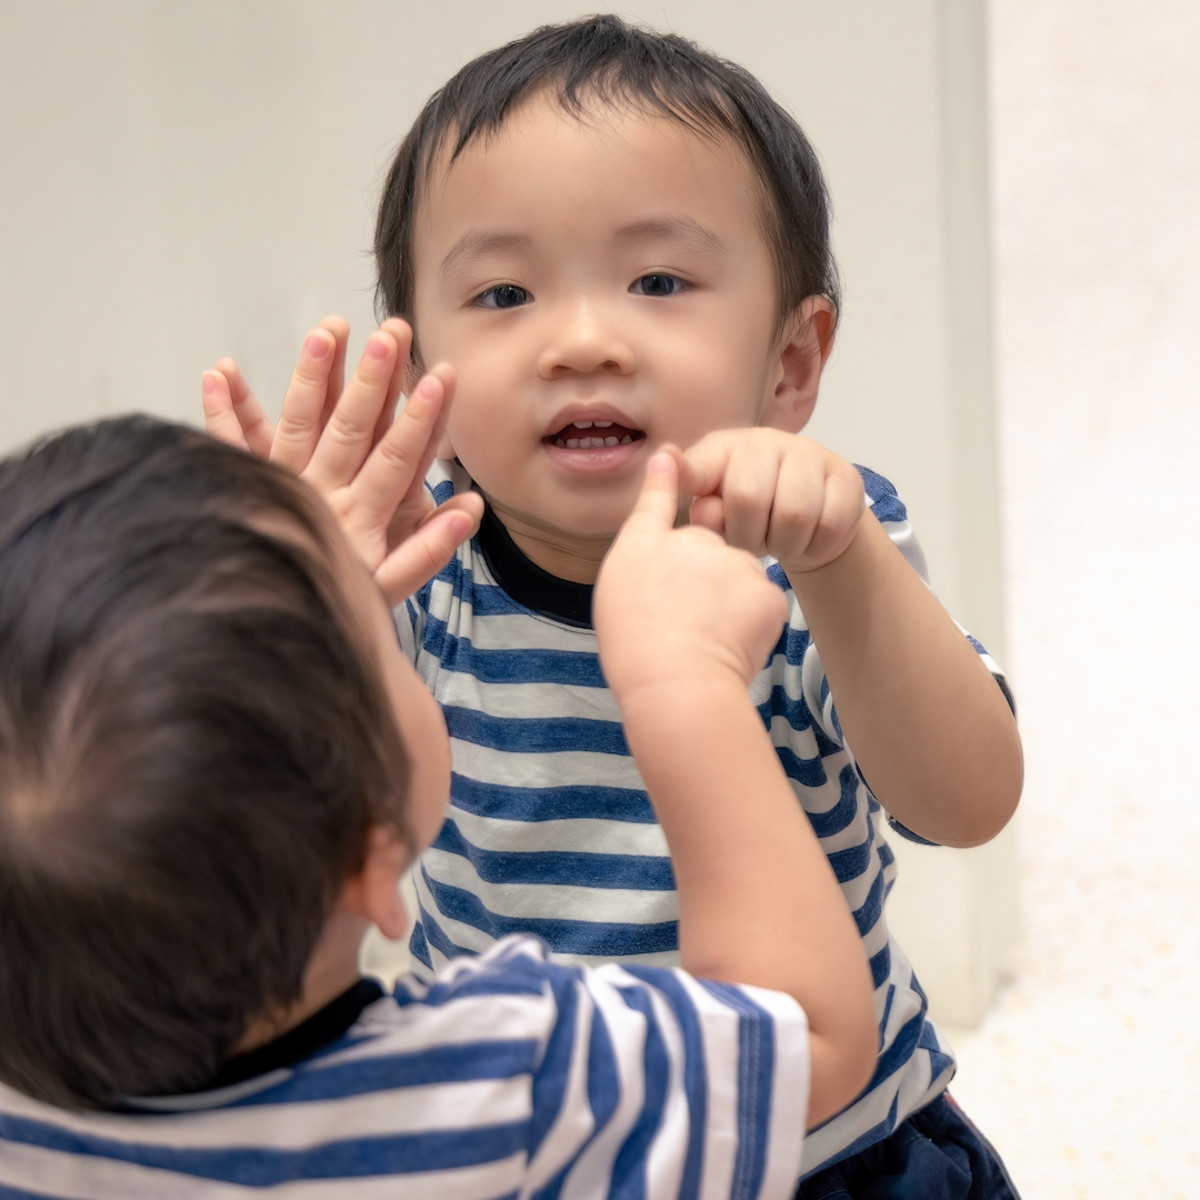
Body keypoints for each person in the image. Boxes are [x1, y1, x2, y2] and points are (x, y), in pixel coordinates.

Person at [203, 15, 1024, 1196]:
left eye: (657, 281)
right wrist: (293, 595)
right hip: (520, 1153)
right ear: (420, 372)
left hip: (824, 1154)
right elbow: (242, 839)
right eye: (503, 293)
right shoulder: (419, 575)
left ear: (791, 362)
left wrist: (846, 563)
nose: (581, 342)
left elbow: (968, 803)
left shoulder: (803, 554)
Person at [0, 396, 877, 1196]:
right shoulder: (505, 1083)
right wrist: (684, 683)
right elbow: (809, 1037)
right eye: (378, 637)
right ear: (368, 859)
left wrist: (303, 603)